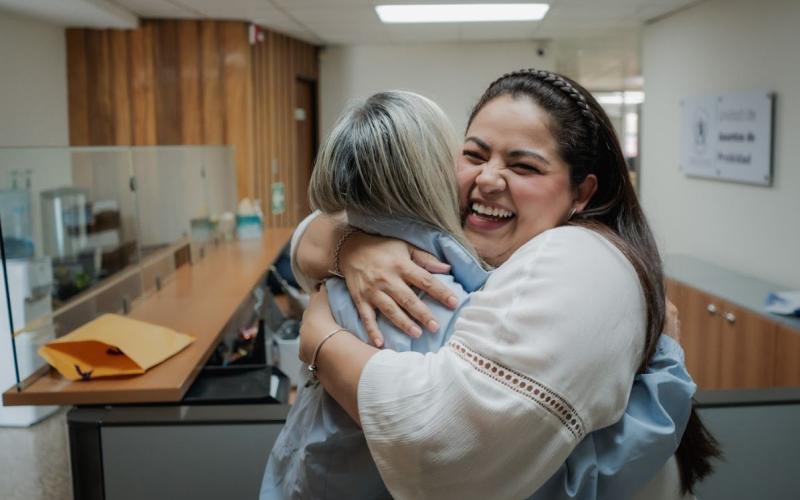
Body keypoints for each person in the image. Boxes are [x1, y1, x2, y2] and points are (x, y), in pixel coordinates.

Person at [289, 70, 719, 499]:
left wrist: (320, 339)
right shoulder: (430, 257)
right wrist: (348, 247)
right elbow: (311, 233)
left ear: (582, 192)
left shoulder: (578, 263)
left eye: (524, 166)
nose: (488, 179)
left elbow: (448, 443)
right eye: (474, 155)